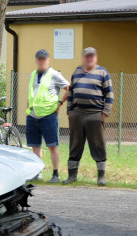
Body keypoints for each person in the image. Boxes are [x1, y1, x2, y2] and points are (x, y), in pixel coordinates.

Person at [64, 47, 113, 186]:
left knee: (98, 145)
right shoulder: (77, 72)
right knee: (74, 145)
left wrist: (104, 113)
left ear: (95, 57)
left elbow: (109, 94)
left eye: (92, 56)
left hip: (95, 115)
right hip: (77, 114)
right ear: (83, 57)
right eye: (87, 56)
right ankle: (72, 176)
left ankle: (101, 178)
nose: (89, 58)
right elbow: (70, 92)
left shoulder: (103, 73)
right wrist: (69, 111)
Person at [26, 49, 69, 183]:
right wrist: (28, 107)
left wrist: (60, 103)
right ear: (36, 60)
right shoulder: (32, 74)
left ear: (48, 60)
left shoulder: (54, 74)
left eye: (44, 59)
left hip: (48, 116)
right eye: (39, 59)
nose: (41, 61)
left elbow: (69, 88)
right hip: (33, 116)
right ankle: (37, 173)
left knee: (52, 146)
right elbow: (31, 93)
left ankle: (55, 174)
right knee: (35, 146)